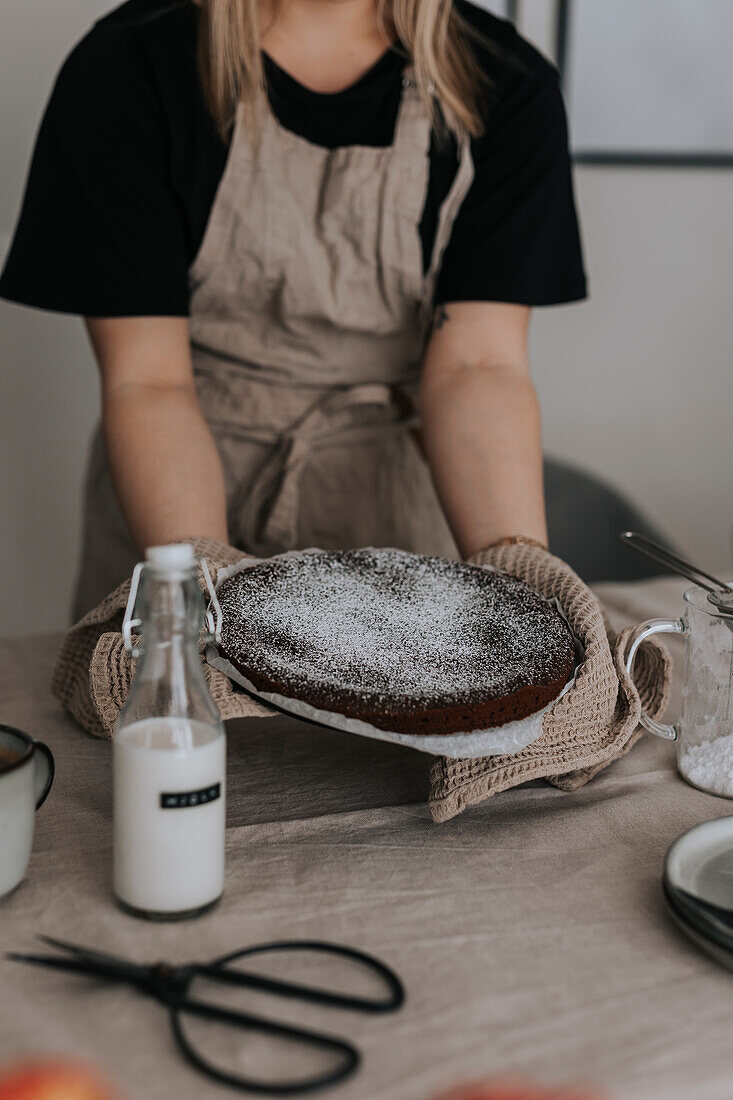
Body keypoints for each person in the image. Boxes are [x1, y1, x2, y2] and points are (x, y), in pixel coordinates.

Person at [0, 0, 586, 619]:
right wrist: (206, 599)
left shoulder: (503, 82)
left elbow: (478, 367)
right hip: (181, 482)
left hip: (398, 518)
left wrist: (520, 577)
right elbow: (148, 381)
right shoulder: (130, 62)